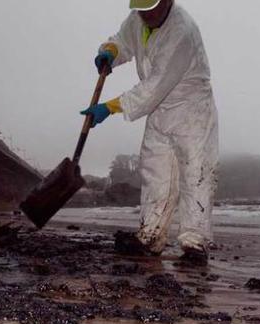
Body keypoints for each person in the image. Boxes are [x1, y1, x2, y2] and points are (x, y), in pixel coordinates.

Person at [82, 0, 219, 265]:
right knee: (154, 172)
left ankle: (195, 243)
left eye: (150, 7)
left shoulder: (182, 31)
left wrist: (111, 107)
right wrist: (111, 51)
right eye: (141, 7)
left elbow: (156, 84)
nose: (144, 13)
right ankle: (151, 236)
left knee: (196, 174)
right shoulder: (139, 19)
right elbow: (124, 40)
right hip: (159, 110)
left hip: (191, 110)